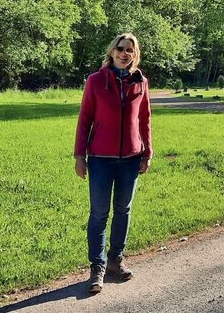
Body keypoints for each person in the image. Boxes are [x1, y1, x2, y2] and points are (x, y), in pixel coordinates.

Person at [73, 32, 153, 293]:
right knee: (99, 213)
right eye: (120, 48)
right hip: (100, 159)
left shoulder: (140, 82)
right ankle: (97, 267)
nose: (124, 53)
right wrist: (79, 155)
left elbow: (145, 119)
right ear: (112, 51)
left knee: (123, 210)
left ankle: (115, 260)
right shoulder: (95, 81)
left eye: (130, 50)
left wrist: (147, 151)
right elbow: (85, 119)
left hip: (131, 158)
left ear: (134, 54)